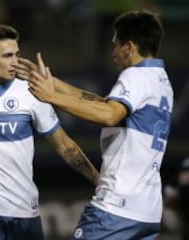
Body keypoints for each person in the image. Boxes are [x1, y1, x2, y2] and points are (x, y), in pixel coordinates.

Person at [15, 10, 173, 240]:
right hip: (146, 211)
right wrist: (52, 83)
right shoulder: (159, 79)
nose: (113, 53)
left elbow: (108, 114)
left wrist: (51, 96)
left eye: (116, 45)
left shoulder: (135, 77)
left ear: (129, 47)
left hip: (117, 207)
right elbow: (101, 103)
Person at [0, 23, 100, 240]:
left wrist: (98, 180)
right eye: (7, 55)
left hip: (24, 209)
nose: (15, 61)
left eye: (16, 54)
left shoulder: (32, 93)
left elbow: (63, 144)